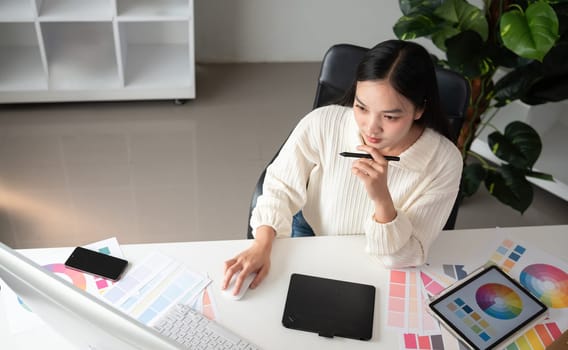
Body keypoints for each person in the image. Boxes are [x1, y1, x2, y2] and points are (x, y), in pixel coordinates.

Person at [222, 40, 463, 295]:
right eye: (361, 107)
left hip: (385, 259)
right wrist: (261, 244)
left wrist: (382, 200)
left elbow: (405, 256)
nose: (371, 127)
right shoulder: (322, 123)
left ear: (419, 109)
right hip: (313, 231)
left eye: (390, 117)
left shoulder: (444, 162)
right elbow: (280, 186)